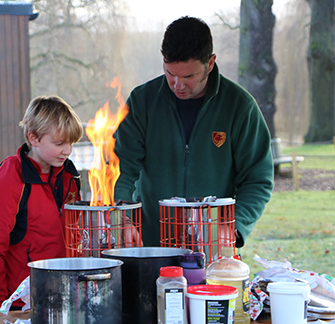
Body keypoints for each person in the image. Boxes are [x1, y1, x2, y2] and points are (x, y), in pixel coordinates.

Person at [113, 16, 274, 248]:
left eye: (188, 76)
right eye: (170, 73)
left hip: (212, 248)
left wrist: (234, 226)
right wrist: (123, 217)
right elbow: (122, 167)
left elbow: (257, 179)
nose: (177, 84)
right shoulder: (142, 102)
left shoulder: (239, 107)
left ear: (210, 63)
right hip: (149, 246)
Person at [0, 95, 83, 311]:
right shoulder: (9, 178)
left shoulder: (70, 177)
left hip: (65, 296)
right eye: (59, 143)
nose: (67, 150)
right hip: (23, 303)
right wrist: (2, 306)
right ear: (33, 138)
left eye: (71, 143)